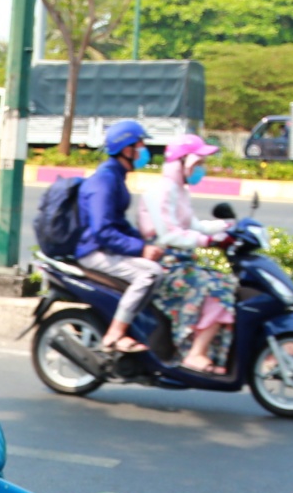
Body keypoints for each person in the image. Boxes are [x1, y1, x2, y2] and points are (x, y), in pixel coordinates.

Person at [138, 135, 235, 375]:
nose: (201, 169)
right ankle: (194, 354)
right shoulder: (162, 191)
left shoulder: (179, 190)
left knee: (227, 283)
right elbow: (169, 234)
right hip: (165, 263)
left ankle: (205, 350)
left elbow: (193, 225)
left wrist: (226, 227)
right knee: (216, 289)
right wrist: (207, 241)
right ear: (183, 163)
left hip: (180, 261)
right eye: (198, 163)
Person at [74, 119, 160, 354]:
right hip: (93, 252)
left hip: (104, 248)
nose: (144, 151)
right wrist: (140, 250)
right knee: (149, 274)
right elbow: (103, 231)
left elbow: (119, 224)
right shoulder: (105, 181)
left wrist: (146, 245)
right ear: (126, 149)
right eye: (140, 146)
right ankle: (115, 334)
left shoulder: (116, 177)